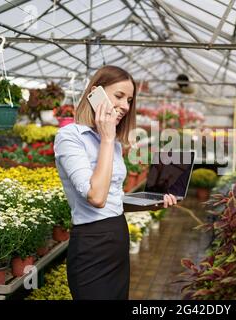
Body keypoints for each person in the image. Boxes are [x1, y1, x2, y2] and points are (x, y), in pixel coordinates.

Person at [54, 65, 178, 300]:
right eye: (119, 96)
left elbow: (112, 200)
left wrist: (153, 203)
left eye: (129, 99)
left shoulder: (111, 141)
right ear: (94, 93)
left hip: (117, 237)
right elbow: (96, 198)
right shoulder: (70, 137)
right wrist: (108, 139)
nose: (125, 106)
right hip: (92, 245)